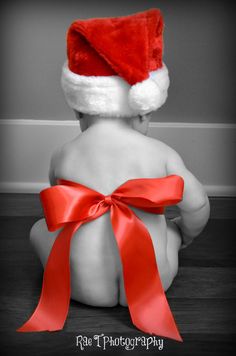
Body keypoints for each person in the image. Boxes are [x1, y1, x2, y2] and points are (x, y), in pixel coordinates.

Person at [20, 9, 210, 339]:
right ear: (144, 111)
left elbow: (58, 210)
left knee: (39, 229)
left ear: (78, 108)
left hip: (80, 286)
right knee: (170, 234)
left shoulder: (64, 154)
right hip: (153, 281)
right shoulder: (162, 154)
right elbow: (197, 206)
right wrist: (183, 235)